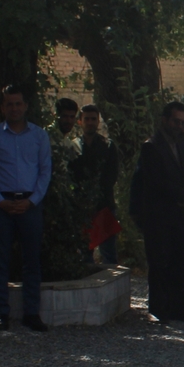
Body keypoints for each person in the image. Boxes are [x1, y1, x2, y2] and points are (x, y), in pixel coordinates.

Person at [0, 84, 53, 331]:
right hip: (1, 205)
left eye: (18, 103)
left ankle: (32, 313)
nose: (14, 108)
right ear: (2, 107)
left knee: (32, 261)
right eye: (9, 104)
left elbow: (45, 171)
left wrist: (31, 201)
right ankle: (2, 313)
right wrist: (0, 201)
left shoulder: (39, 136)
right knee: (0, 261)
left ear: (26, 106)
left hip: (30, 205)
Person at [131, 101, 184, 323]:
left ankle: (179, 308)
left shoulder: (181, 145)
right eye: (175, 122)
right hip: (160, 216)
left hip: (181, 217)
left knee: (180, 262)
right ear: (164, 120)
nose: (179, 126)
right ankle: (159, 309)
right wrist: (180, 196)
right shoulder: (151, 146)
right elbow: (155, 181)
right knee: (160, 263)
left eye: (182, 122)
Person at [74, 104, 120, 265]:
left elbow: (111, 175)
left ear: (98, 121)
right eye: (87, 119)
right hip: (80, 207)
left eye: (93, 119)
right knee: (84, 254)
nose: (90, 122)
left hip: (104, 205)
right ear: (80, 121)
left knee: (109, 254)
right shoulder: (73, 147)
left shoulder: (108, 146)